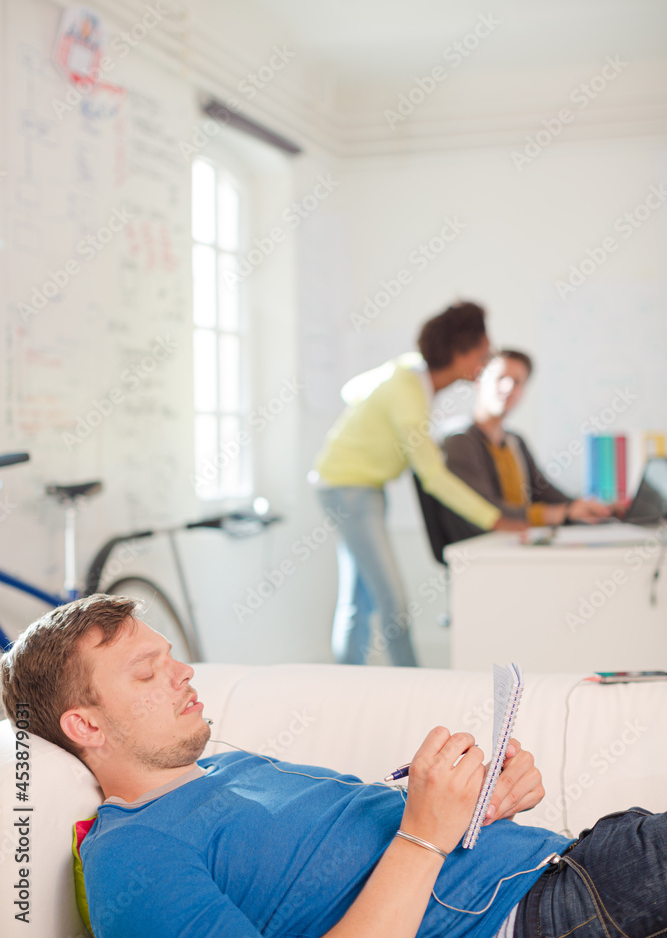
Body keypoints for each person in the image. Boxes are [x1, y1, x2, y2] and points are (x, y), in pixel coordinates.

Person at [2, 594, 666, 938]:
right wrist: (424, 834)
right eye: (148, 671)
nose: (182, 674)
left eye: (169, 656)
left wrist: (477, 803)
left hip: (573, 862)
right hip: (551, 910)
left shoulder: (228, 769)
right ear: (85, 725)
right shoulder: (133, 856)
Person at [312, 302, 524, 667]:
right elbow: (434, 476)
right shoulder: (407, 392)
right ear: (458, 354)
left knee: (360, 598)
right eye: (483, 354)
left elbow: (352, 390)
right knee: (391, 600)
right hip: (349, 489)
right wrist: (495, 519)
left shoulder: (409, 372)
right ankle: (413, 683)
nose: (486, 362)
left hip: (359, 486)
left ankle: (344, 680)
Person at [442, 350, 612, 529]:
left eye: (517, 382)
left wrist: (594, 507)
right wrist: (561, 513)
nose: (508, 388)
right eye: (500, 378)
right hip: (486, 545)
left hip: (519, 539)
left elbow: (546, 492)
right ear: (478, 381)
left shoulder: (515, 441)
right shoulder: (459, 440)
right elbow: (485, 509)